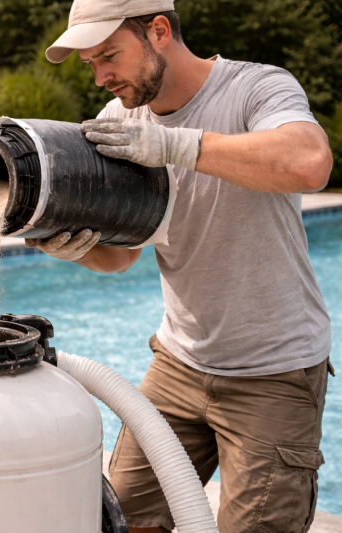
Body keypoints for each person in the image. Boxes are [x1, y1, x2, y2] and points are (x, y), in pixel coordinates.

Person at [25, 1, 336, 532]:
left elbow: (310, 163)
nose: (101, 77)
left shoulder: (256, 88)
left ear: (160, 31)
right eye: (90, 64)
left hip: (274, 372)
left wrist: (176, 144)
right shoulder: (118, 120)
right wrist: (74, 247)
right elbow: (122, 255)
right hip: (178, 363)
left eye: (109, 56)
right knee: (120, 520)